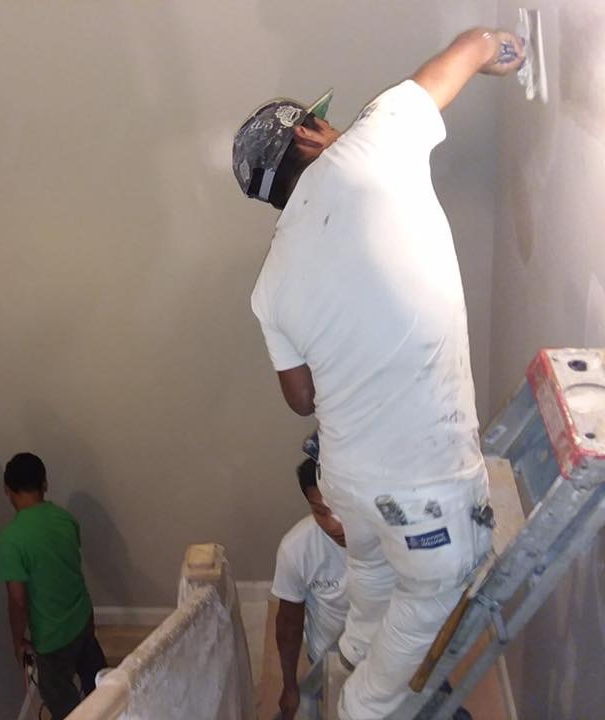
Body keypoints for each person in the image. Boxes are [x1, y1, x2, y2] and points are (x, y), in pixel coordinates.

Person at [234, 28, 525, 719]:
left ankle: (359, 650)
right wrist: (513, 51)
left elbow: (300, 398)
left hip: (349, 485)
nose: (331, 125)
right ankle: (363, 704)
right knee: (433, 590)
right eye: (318, 119)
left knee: (370, 573)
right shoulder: (375, 140)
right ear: (307, 136)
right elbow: (475, 46)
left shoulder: (270, 280)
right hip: (422, 488)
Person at [0, 452, 107, 719]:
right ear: (44, 484)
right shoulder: (63, 518)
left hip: (53, 639)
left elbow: (18, 600)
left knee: (61, 698)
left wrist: (18, 642)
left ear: (7, 491)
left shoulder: (11, 540)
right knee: (96, 674)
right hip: (82, 617)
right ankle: (110, 708)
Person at [273, 458, 347, 720]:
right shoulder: (297, 548)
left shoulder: (393, 537)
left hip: (390, 657)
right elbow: (289, 626)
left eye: (340, 508)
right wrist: (290, 686)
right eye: (320, 511)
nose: (334, 524)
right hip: (331, 661)